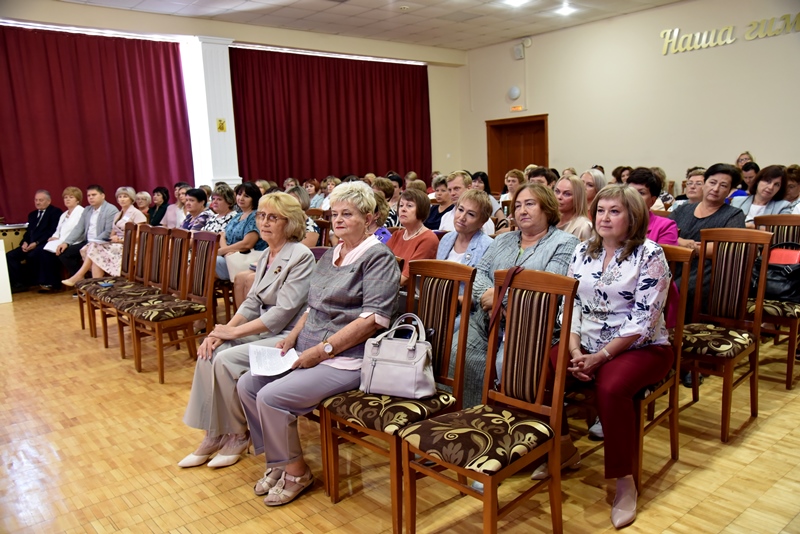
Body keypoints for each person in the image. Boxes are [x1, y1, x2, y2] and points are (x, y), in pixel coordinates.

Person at [237, 181, 400, 506]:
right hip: (308, 351)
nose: (337, 220)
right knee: (246, 385)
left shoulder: (378, 257)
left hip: (346, 361)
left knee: (270, 397)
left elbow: (372, 321)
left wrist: (321, 351)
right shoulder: (332, 254)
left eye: (347, 214)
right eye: (334, 214)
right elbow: (312, 307)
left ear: (368, 218)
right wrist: (292, 337)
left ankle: (296, 472)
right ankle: (278, 461)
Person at [533, 185, 672, 530]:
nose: (604, 217)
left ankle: (624, 480)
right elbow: (571, 303)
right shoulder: (583, 250)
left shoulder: (650, 254)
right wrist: (576, 348)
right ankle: (563, 446)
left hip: (642, 347)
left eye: (615, 211)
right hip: (587, 343)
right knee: (543, 365)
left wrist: (600, 357)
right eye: (600, 211)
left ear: (633, 217)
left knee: (610, 387)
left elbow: (644, 320)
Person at [179, 193, 316, 469]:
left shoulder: (301, 256)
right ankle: (213, 434)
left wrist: (234, 334)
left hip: (288, 338)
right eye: (261, 216)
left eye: (273, 217)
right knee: (209, 350)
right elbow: (253, 302)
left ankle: (238, 435)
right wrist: (222, 331)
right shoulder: (267, 253)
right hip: (265, 330)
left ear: (289, 223)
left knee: (226, 359)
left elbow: (282, 314)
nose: (264, 222)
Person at [455, 183, 578, 408]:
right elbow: (480, 273)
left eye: (530, 204)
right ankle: (469, 417)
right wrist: (491, 298)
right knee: (456, 354)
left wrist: (499, 299)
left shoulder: (565, 243)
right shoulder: (503, 240)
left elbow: (548, 286)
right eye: (518, 205)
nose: (522, 210)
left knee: (507, 366)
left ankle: (506, 425)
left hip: (530, 325)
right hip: (486, 319)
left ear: (547, 209)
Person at [670, 163, 746, 328]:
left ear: (730, 191)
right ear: (704, 183)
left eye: (723, 185)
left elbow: (727, 248)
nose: (716, 188)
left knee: (677, 290)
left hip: (709, 271)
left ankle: (679, 334)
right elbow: (665, 236)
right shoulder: (683, 210)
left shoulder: (733, 215)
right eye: (712, 182)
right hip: (674, 265)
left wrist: (692, 248)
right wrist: (685, 242)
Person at [62, 187, 145, 285]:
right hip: (116, 244)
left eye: (125, 197)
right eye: (120, 197)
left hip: (130, 246)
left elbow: (140, 236)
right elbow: (112, 233)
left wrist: (121, 240)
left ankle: (79, 276)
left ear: (131, 199)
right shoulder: (118, 214)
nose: (122, 199)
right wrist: (110, 239)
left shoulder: (136, 213)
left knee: (94, 248)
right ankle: (97, 286)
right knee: (95, 250)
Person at [56, 185, 119, 278]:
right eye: (89, 195)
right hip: (87, 242)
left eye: (94, 195)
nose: (91, 197)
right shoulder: (87, 210)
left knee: (89, 251)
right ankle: (82, 281)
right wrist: (66, 242)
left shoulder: (111, 210)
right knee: (64, 253)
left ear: (103, 196)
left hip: (102, 243)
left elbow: (108, 231)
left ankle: (84, 280)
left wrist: (93, 243)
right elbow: (79, 228)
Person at [6, 189, 62, 292]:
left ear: (48, 201)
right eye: (36, 200)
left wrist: (36, 243)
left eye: (41, 200)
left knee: (35, 254)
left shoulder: (55, 212)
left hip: (45, 242)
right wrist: (24, 242)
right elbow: (28, 232)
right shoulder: (32, 214)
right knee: (10, 256)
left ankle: (45, 283)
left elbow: (51, 232)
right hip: (29, 244)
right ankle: (19, 284)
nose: (37, 202)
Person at [32, 187, 86, 291]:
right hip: (60, 241)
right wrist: (54, 237)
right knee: (42, 251)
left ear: (77, 200)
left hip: (75, 242)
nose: (67, 199)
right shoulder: (63, 214)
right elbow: (58, 230)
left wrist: (65, 242)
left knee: (62, 253)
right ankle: (49, 282)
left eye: (71, 197)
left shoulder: (81, 212)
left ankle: (78, 282)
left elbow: (79, 231)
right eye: (65, 197)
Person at [386, 188, 440, 285]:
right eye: (401, 205)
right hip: (389, 286)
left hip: (408, 294)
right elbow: (381, 265)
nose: (403, 209)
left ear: (421, 210)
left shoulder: (428, 239)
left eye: (409, 206)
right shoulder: (396, 235)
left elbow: (407, 278)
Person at [216, 182, 265, 281]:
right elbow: (223, 236)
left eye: (246, 196)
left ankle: (195, 295)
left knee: (206, 262)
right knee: (201, 261)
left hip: (245, 260)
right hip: (230, 257)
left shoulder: (255, 216)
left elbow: (247, 244)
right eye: (239, 194)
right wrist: (226, 252)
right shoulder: (237, 216)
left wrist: (223, 251)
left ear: (254, 199)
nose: (241, 198)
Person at [436, 189, 493, 269]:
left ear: (482, 222)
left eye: (470, 214)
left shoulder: (488, 247)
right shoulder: (446, 238)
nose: (462, 217)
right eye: (460, 210)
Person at [626, 167, 679, 244]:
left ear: (652, 201)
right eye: (630, 191)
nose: (633, 196)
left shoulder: (665, 227)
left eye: (641, 193)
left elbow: (660, 255)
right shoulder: (615, 221)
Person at [554, 175, 593, 241]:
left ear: (578, 197)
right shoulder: (549, 221)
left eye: (567, 194)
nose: (559, 197)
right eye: (557, 191)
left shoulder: (584, 226)